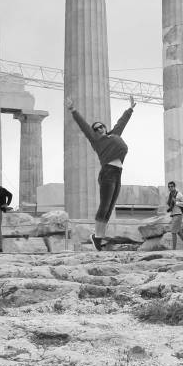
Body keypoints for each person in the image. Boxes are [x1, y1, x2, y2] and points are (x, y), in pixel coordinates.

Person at [66, 95, 136, 250]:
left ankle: (99, 238)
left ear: (105, 127)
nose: (98, 129)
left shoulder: (114, 134)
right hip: (108, 173)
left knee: (110, 207)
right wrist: (73, 110)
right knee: (104, 205)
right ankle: (97, 237)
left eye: (100, 127)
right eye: (95, 129)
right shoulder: (96, 140)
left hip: (118, 173)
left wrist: (130, 109)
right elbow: (84, 126)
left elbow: (121, 122)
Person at [165, 181, 183, 250]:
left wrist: (176, 202)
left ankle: (174, 249)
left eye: (172, 186)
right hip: (173, 214)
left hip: (178, 214)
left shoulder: (179, 194)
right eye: (169, 187)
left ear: (174, 187)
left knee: (173, 232)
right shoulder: (170, 195)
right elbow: (170, 204)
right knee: (179, 232)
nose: (170, 188)